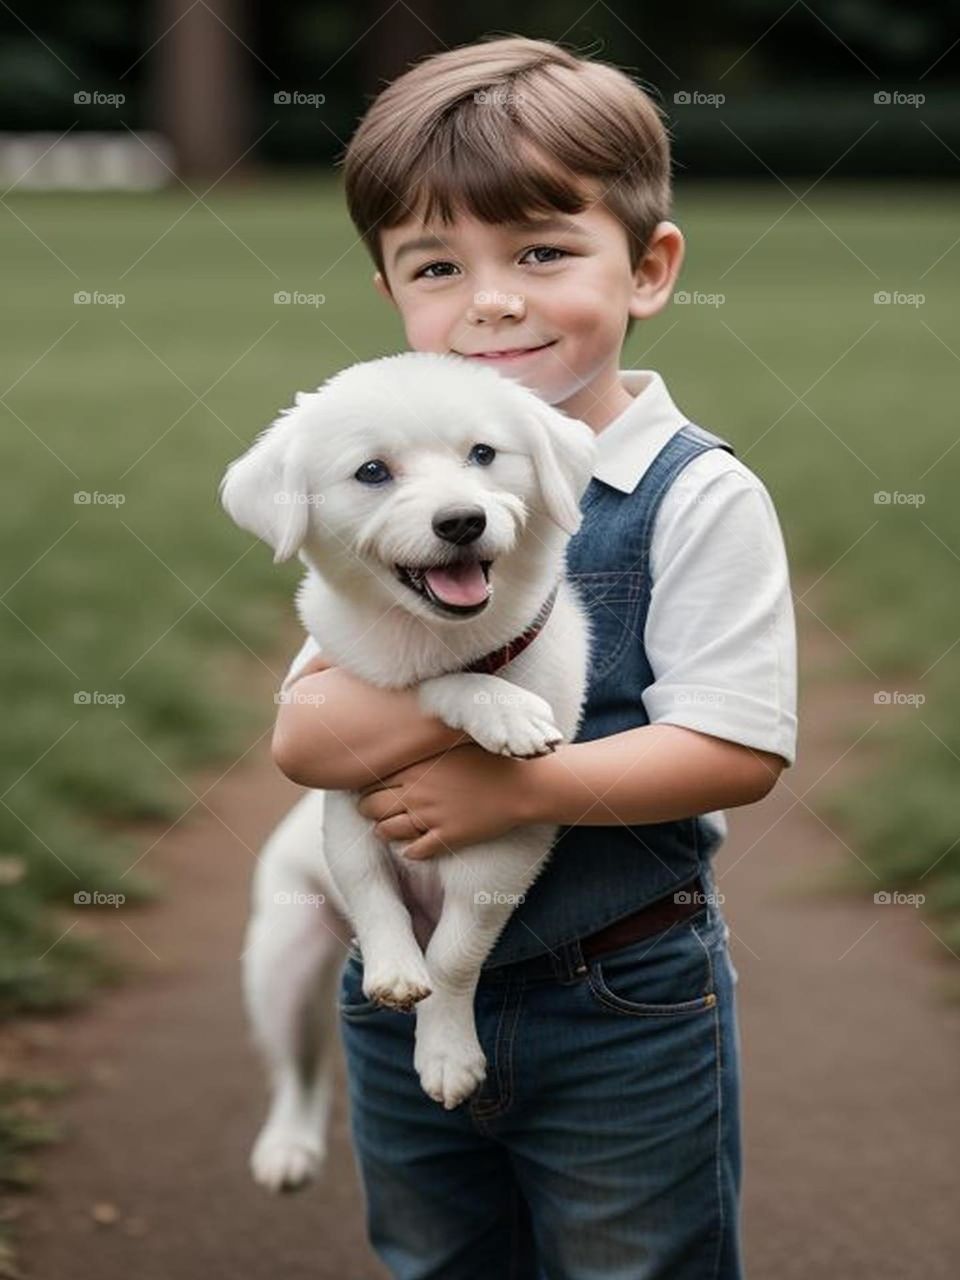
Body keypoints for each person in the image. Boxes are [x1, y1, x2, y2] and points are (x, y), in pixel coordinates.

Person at [272, 34, 797, 1280]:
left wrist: (523, 786)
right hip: (393, 990)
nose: (491, 299)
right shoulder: (386, 506)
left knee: (638, 1263)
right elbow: (305, 738)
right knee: (436, 1256)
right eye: (438, 264)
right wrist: (445, 701)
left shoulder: (692, 494)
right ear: (394, 291)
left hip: (620, 995)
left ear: (650, 268)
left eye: (543, 252)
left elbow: (735, 747)